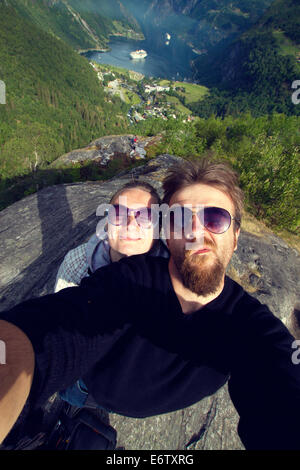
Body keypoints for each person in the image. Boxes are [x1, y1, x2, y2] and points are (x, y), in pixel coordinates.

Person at [1, 158, 300, 450]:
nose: (196, 232)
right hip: (88, 387)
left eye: (215, 218)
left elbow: (282, 384)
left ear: (235, 237)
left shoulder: (252, 326)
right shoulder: (125, 281)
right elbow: (51, 330)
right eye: (181, 217)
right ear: (167, 235)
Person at [54, 180, 169, 407]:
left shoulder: (173, 275)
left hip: (136, 380)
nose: (129, 223)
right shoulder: (78, 264)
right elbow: (60, 327)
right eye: (119, 213)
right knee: (69, 393)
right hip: (87, 374)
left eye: (145, 216)